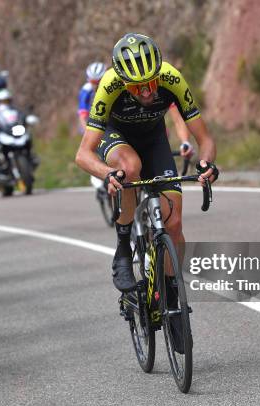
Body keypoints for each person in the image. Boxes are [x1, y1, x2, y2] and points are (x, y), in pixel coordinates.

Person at [75, 32, 218, 293]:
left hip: (153, 138)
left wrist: (207, 163)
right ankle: (123, 251)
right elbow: (83, 154)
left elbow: (205, 139)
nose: (147, 91)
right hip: (117, 135)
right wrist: (108, 174)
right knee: (129, 168)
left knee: (173, 223)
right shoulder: (108, 86)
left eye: (152, 83)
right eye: (137, 86)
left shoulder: (172, 78)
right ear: (122, 81)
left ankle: (171, 290)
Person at [78, 62, 106, 135]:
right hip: (91, 123)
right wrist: (87, 133)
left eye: (97, 82)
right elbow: (82, 115)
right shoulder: (86, 90)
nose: (95, 85)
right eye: (92, 82)